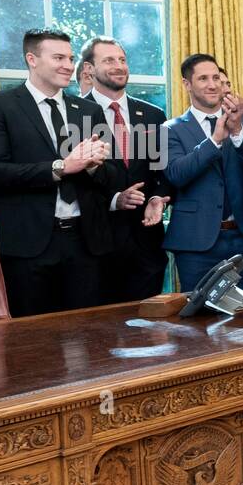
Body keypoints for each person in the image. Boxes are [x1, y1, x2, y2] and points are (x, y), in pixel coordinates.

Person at [0, 28, 121, 316]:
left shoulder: (88, 110)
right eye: (58, 57)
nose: (68, 65)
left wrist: (92, 168)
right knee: (34, 340)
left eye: (70, 57)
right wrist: (62, 167)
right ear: (32, 59)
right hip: (27, 245)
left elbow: (115, 176)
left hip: (86, 243)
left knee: (90, 334)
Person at [162, 53, 243, 293]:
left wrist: (237, 131)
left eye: (216, 77)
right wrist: (215, 140)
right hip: (196, 243)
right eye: (203, 78)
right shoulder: (170, 129)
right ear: (187, 84)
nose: (212, 84)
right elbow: (176, 174)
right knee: (200, 318)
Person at [81, 36, 170, 302]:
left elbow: (162, 171)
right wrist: (114, 200)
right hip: (96, 245)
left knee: (149, 334)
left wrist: (157, 199)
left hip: (146, 244)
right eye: (108, 60)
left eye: (122, 60)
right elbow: (73, 179)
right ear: (88, 69)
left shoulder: (153, 114)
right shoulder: (76, 114)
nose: (119, 66)